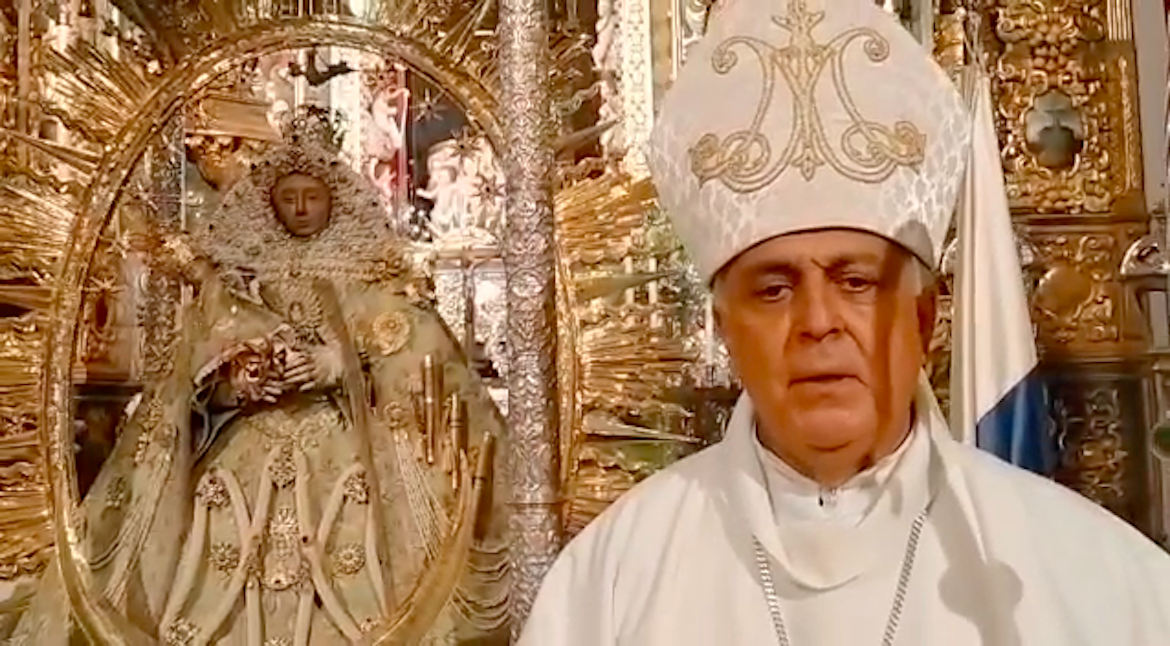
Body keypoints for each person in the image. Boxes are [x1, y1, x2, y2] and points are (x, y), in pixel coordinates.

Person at [518, 0, 1170, 643]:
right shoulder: (613, 585)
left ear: (923, 318)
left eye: (855, 282)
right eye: (774, 290)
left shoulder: (1089, 578)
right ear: (725, 329)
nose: (818, 321)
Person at [5, 133, 510, 645]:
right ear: (269, 203)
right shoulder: (238, 275)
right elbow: (193, 374)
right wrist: (237, 382)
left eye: (311, 196)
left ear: (333, 199)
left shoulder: (370, 270)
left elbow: (409, 342)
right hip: (245, 444)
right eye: (288, 198)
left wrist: (338, 365)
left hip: (342, 441)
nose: (300, 209)